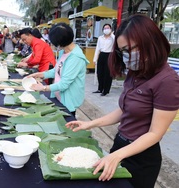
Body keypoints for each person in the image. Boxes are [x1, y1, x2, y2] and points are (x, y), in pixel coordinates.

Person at [65, 14, 179, 188]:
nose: (127, 56)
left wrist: (118, 155)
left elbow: (155, 133)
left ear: (150, 42)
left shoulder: (167, 81)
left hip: (141, 157)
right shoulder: (136, 70)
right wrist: (91, 124)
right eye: (122, 51)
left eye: (130, 49)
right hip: (120, 145)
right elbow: (124, 110)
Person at [28, 23, 89, 115]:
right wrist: (41, 74)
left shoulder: (76, 58)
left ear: (60, 43)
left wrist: (43, 88)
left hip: (68, 100)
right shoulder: (64, 51)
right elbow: (57, 70)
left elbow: (64, 84)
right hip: (59, 96)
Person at [93, 23, 114, 96]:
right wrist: (95, 59)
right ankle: (100, 88)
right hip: (102, 55)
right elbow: (97, 48)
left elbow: (115, 41)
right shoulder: (100, 38)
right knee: (100, 72)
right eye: (105, 28)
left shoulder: (112, 38)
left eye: (108, 28)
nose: (106, 30)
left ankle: (106, 90)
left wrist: (111, 34)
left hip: (109, 55)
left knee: (107, 73)